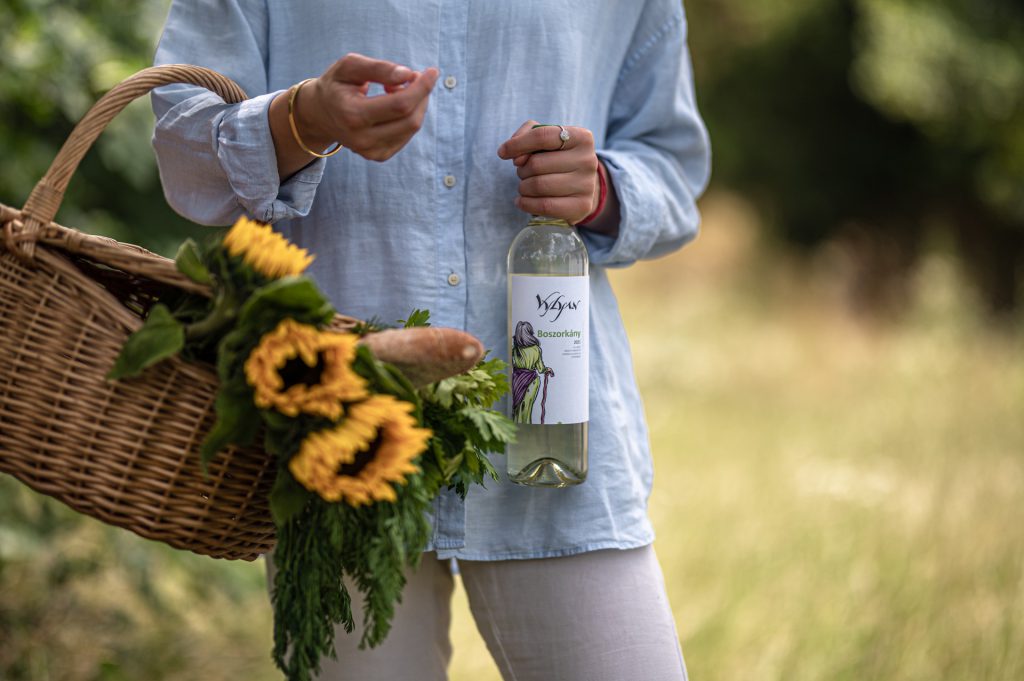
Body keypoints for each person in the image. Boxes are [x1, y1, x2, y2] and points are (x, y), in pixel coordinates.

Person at [151, 1, 711, 680]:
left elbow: (673, 166)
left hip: (550, 435)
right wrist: (303, 119)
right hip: (336, 425)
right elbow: (182, 142)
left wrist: (602, 191)